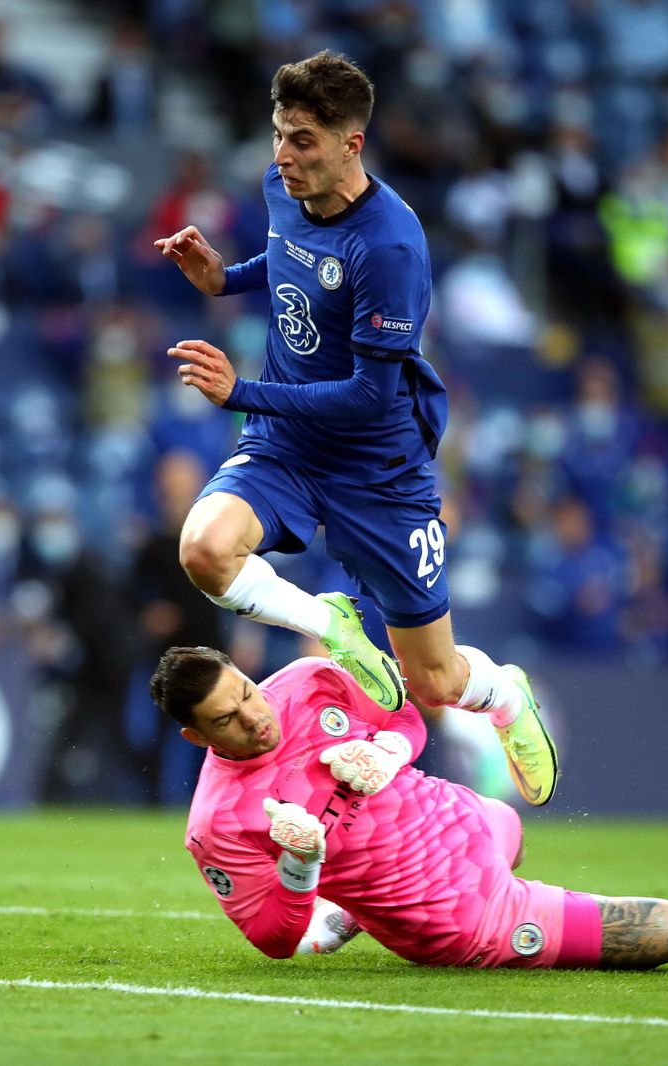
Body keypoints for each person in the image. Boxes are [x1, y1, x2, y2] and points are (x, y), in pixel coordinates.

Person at [153, 51, 558, 805]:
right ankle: (330, 622)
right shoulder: (283, 188)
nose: (282, 155)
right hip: (287, 445)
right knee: (204, 548)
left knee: (433, 680)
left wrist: (244, 391)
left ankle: (503, 695)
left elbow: (371, 398)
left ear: (352, 144)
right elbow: (289, 264)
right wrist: (221, 278)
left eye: (303, 139)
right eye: (278, 134)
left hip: (377, 467)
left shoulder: (392, 245)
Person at [151, 646, 668, 968]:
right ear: (197, 737)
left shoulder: (306, 680)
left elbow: (403, 716)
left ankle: (352, 912)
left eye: (246, 692)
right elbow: (272, 937)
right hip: (453, 912)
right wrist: (300, 866)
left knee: (513, 831)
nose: (254, 717)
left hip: (465, 817)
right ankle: (364, 907)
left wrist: (388, 752)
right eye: (227, 720)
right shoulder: (217, 822)